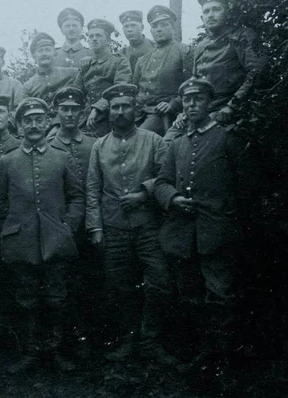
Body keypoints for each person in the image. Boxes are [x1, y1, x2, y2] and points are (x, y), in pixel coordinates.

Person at [154, 77, 259, 386]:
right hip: (184, 236)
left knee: (221, 298)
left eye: (198, 98)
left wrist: (232, 222)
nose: (191, 104)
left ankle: (225, 364)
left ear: (210, 101)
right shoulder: (177, 144)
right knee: (191, 298)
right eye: (186, 100)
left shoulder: (228, 138)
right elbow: (160, 182)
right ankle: (205, 355)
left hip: (218, 235)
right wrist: (173, 199)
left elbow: (248, 187)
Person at [85, 83, 178, 367]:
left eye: (126, 106)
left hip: (148, 226)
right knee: (119, 286)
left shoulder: (153, 140)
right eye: (115, 107)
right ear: (109, 112)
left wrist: (143, 193)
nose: (121, 111)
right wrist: (96, 228)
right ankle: (128, 340)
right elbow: (92, 188)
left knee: (160, 281)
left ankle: (151, 341)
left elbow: (167, 176)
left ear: (136, 110)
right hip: (113, 227)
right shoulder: (99, 145)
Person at [0, 97, 85, 373]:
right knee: (26, 299)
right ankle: (30, 353)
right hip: (21, 243)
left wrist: (68, 225)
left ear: (47, 123)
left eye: (38, 120)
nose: (33, 125)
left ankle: (54, 351)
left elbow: (77, 197)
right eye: (27, 120)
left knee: (57, 297)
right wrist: (10, 230)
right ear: (19, 126)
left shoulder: (61, 157)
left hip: (56, 241)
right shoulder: (7, 161)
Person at [166, 0, 267, 142]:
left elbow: (257, 72)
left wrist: (232, 106)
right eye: (206, 11)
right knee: (165, 144)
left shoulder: (242, 36)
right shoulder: (201, 46)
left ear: (226, 12)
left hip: (224, 110)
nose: (211, 15)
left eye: (216, 9)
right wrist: (185, 110)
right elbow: (195, 81)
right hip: (198, 110)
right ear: (202, 18)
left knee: (192, 146)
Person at [47, 86, 100, 357]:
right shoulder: (47, 145)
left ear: (82, 113)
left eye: (74, 110)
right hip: (61, 227)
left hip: (90, 225)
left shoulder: (94, 144)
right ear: (56, 112)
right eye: (64, 109)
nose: (69, 114)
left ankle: (90, 341)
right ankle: (65, 343)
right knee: (61, 285)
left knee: (91, 281)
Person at [131, 5, 193, 136]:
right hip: (139, 114)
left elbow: (191, 86)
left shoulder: (184, 52)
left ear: (173, 27)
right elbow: (134, 91)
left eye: (164, 25)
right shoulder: (142, 60)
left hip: (164, 114)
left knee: (139, 139)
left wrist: (173, 104)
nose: (159, 29)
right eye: (155, 26)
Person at [74, 18, 131, 138]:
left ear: (108, 40)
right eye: (91, 36)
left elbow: (119, 89)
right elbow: (76, 92)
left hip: (111, 117)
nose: (94, 39)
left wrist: (97, 109)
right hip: (86, 118)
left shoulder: (119, 62)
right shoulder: (86, 65)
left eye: (98, 35)